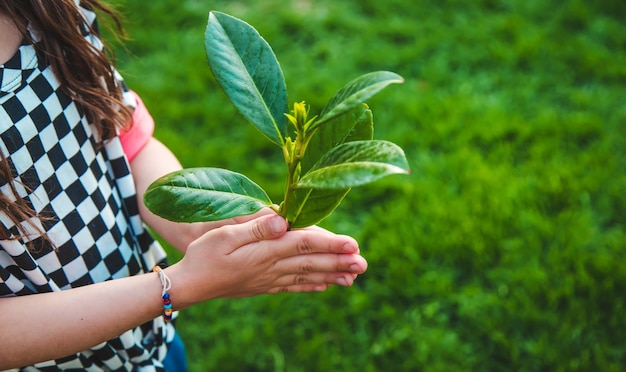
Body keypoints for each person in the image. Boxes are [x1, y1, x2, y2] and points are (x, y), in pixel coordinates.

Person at [0, 1, 367, 370]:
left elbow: (126, 141)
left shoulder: (50, 9)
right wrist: (179, 286)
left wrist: (201, 222)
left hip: (149, 340)